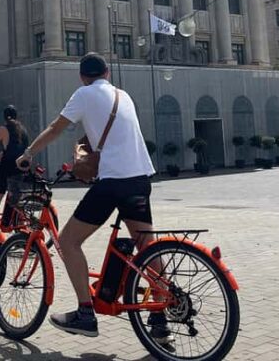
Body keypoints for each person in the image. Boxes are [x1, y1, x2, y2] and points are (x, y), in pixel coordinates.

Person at [14, 52, 172, 344]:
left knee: (68, 241)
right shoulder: (123, 95)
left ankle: (85, 313)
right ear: (107, 73)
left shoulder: (84, 94)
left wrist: (28, 154)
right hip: (140, 178)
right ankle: (161, 314)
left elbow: (56, 128)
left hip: (112, 182)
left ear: (82, 76)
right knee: (146, 247)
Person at [0, 105, 30, 228]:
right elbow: (8, 149)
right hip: (20, 167)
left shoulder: (3, 129)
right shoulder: (23, 130)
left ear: (4, 117)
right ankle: (11, 223)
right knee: (14, 195)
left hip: (7, 167)